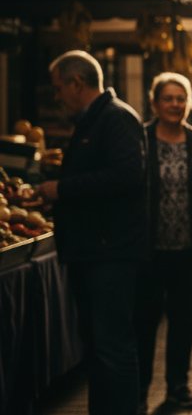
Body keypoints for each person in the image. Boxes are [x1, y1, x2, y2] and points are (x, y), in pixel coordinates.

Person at [38, 50, 147, 415]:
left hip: (110, 253)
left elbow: (127, 176)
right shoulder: (95, 120)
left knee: (113, 347)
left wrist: (63, 190)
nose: (57, 97)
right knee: (101, 348)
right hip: (95, 251)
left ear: (76, 83)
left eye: (58, 88)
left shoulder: (115, 120)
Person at [137, 73, 192, 413]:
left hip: (189, 249)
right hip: (148, 251)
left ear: (188, 103)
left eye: (180, 98)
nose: (175, 105)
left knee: (183, 323)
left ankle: (177, 386)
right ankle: (139, 390)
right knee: (143, 324)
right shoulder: (140, 139)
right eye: (168, 98)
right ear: (154, 103)